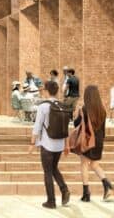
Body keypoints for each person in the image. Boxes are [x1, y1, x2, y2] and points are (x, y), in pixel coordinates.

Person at [29, 78, 71, 209]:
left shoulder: (43, 106)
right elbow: (66, 128)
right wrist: (67, 145)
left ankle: (51, 201)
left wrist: (32, 144)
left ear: (47, 91)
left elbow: (37, 127)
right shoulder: (62, 106)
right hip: (59, 144)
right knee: (53, 168)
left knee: (47, 172)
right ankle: (64, 189)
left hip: (47, 145)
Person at [72, 84, 114, 201]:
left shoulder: (84, 110)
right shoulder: (102, 110)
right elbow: (103, 129)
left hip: (87, 141)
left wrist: (77, 114)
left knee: (84, 164)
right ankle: (107, 185)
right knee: (94, 164)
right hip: (99, 141)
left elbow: (76, 125)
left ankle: (86, 193)